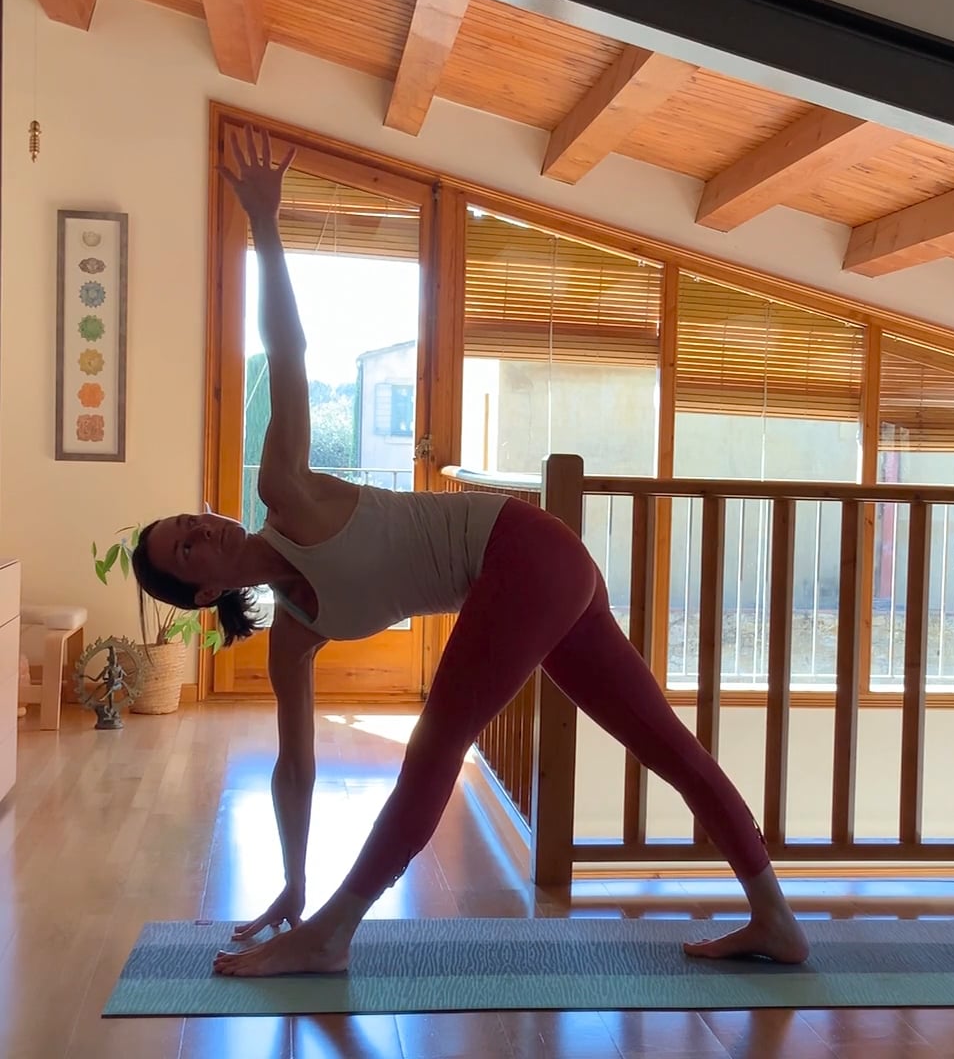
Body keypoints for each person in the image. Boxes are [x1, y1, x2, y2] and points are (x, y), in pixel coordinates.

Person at [131, 126, 810, 977]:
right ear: (202, 596)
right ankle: (776, 919)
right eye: (187, 550)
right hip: (538, 572)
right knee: (661, 742)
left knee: (435, 745)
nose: (202, 531)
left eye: (188, 521)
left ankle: (333, 937)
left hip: (521, 551)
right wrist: (292, 882)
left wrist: (265, 226)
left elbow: (288, 352)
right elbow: (294, 770)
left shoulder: (285, 492)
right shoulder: (294, 638)